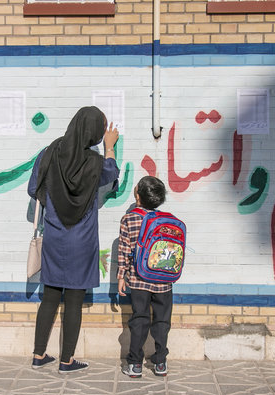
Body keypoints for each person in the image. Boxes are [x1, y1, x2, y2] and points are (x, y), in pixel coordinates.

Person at [28, 106, 120, 374]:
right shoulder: (94, 162)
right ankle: (67, 360)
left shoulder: (49, 153)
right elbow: (112, 175)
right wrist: (109, 146)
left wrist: (55, 197)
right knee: (74, 301)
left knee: (50, 297)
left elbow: (33, 188)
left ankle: (38, 355)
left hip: (55, 235)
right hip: (82, 239)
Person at [117, 176, 172, 378]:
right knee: (162, 321)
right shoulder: (167, 220)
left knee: (139, 320)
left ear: (137, 196)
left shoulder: (129, 219)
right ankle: (160, 363)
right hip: (164, 282)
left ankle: (135, 365)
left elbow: (123, 250)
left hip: (139, 279)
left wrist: (121, 276)